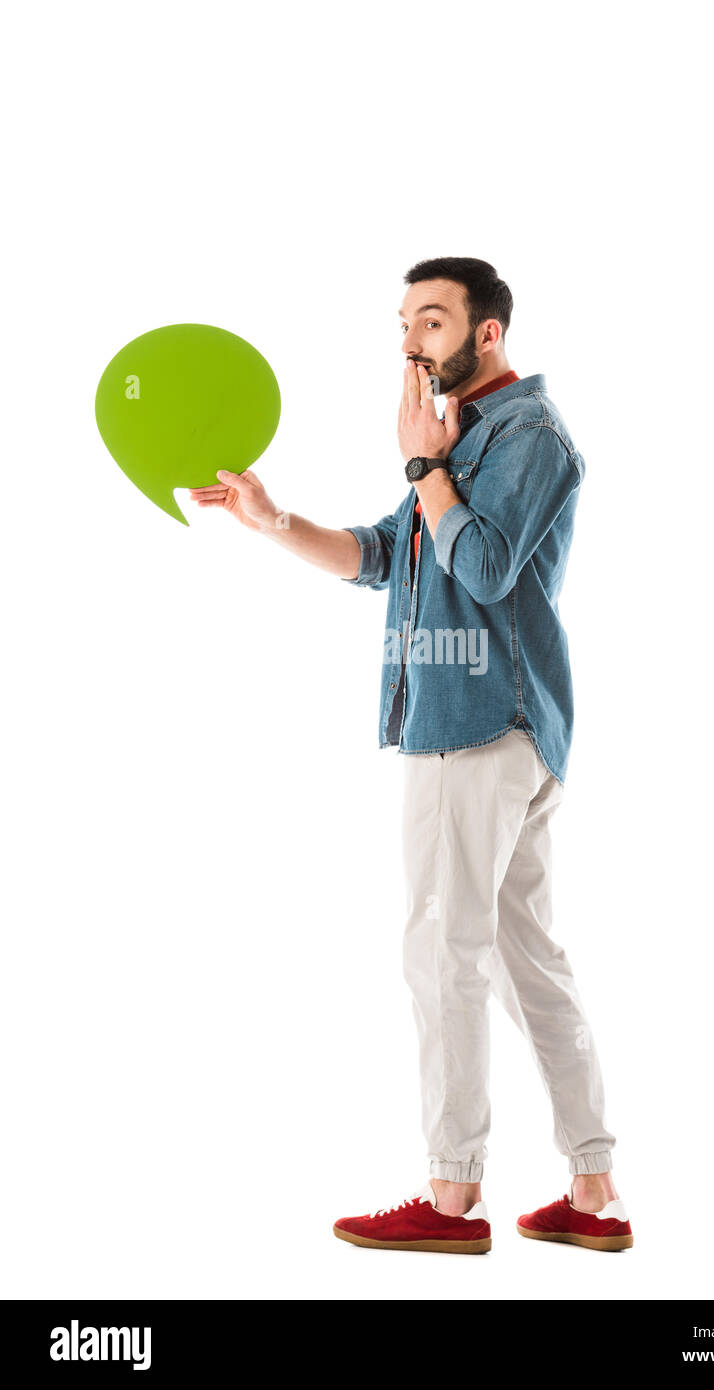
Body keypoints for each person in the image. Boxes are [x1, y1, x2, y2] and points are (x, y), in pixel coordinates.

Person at [189, 257, 633, 1255]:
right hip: (488, 726)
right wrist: (273, 522)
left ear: (488, 333)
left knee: (443, 951)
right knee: (526, 959)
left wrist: (426, 467)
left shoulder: (526, 438)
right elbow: (388, 556)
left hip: (478, 726)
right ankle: (595, 1188)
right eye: (403, 321)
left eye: (431, 319)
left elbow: (481, 568)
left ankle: (451, 1195)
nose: (409, 339)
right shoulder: (462, 440)